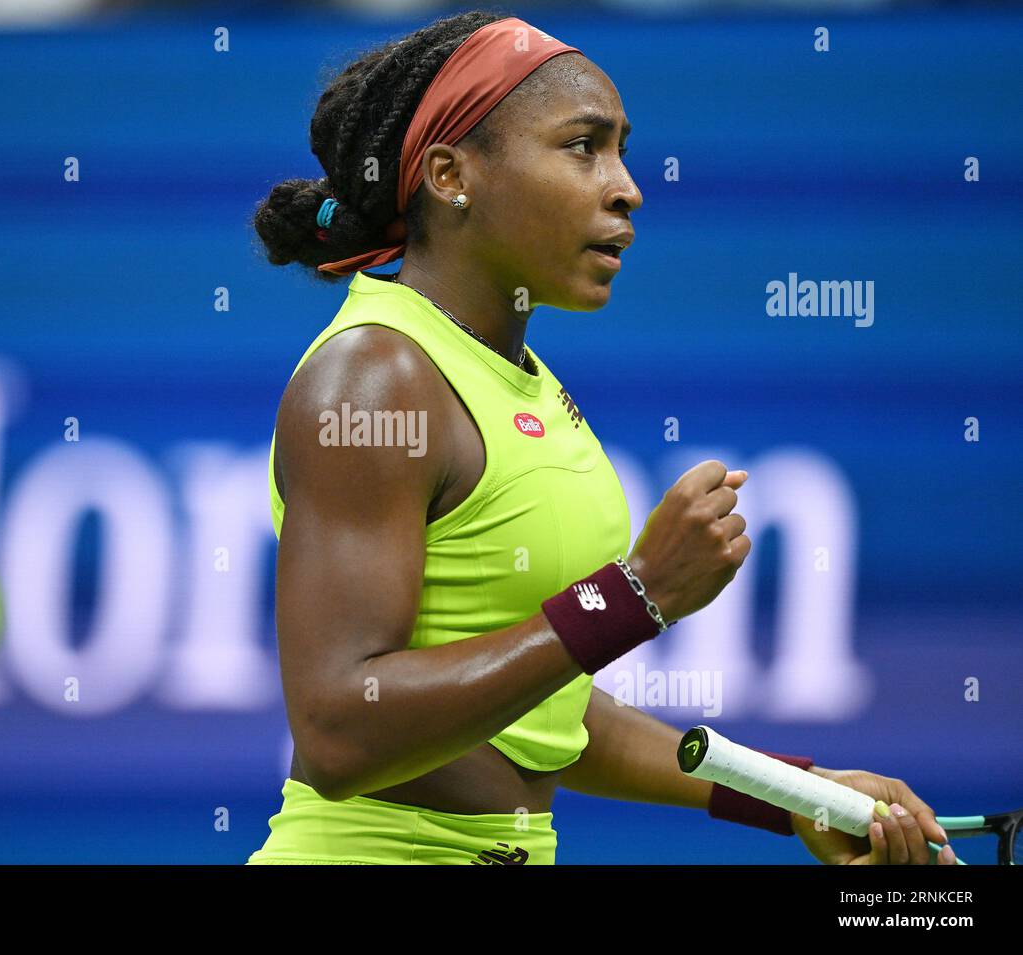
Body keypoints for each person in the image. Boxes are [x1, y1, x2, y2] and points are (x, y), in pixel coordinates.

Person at [247, 10, 955, 865]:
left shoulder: (526, 382)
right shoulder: (375, 378)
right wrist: (638, 592)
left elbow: (548, 719)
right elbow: (337, 730)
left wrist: (799, 794)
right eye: (584, 146)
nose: (627, 187)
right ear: (450, 174)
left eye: (621, 149)